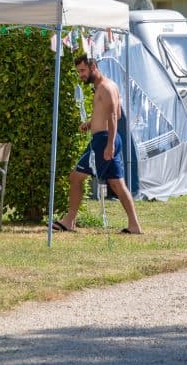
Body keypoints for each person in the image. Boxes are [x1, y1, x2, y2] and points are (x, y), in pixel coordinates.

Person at [53, 55, 143, 234]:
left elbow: (113, 117)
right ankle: (134, 225)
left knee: (76, 177)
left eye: (83, 71)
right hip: (106, 138)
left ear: (93, 66)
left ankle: (69, 220)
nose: (81, 75)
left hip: (104, 140)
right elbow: (113, 114)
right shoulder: (108, 86)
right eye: (79, 71)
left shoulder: (105, 88)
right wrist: (91, 123)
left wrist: (109, 145)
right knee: (117, 184)